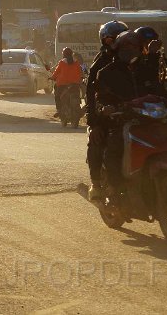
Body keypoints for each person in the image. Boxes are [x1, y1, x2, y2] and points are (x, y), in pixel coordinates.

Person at [93, 30, 149, 192]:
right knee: (114, 148)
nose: (131, 52)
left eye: (134, 48)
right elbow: (99, 98)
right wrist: (106, 109)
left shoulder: (145, 69)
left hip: (146, 119)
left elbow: (158, 90)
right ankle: (115, 190)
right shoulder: (105, 73)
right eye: (126, 48)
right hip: (120, 121)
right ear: (117, 50)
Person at [85, 20, 128, 200]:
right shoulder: (101, 63)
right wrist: (94, 120)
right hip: (108, 114)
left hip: (135, 111)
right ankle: (97, 184)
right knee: (98, 140)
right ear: (105, 41)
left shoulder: (136, 59)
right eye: (113, 39)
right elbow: (91, 92)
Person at [50, 47, 83, 118]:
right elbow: (80, 72)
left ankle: (59, 110)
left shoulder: (62, 62)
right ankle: (78, 108)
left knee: (57, 96)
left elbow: (56, 72)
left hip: (62, 84)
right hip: (75, 83)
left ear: (64, 54)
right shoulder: (76, 62)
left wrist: (52, 77)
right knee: (77, 95)